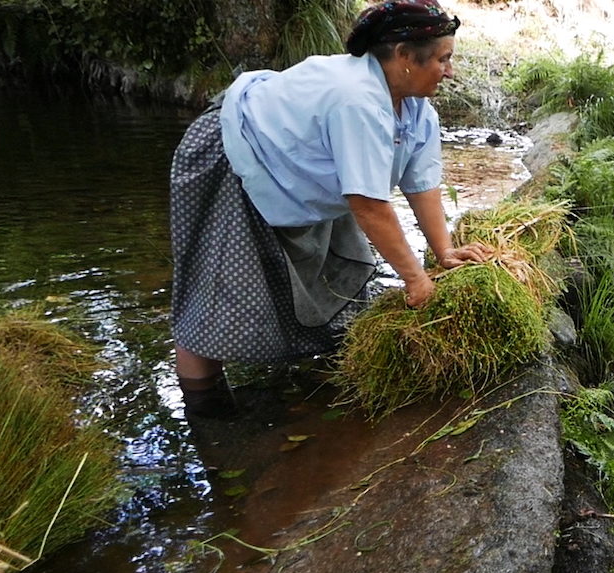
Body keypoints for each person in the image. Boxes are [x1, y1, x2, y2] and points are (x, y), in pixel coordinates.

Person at [170, 0, 492, 415]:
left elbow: (422, 185)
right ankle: (207, 417)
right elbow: (369, 206)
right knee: (216, 296)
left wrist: (445, 251)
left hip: (295, 171)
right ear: (404, 58)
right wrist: (414, 278)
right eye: (444, 60)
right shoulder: (356, 99)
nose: (450, 71)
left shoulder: (416, 107)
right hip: (233, 158)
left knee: (312, 282)